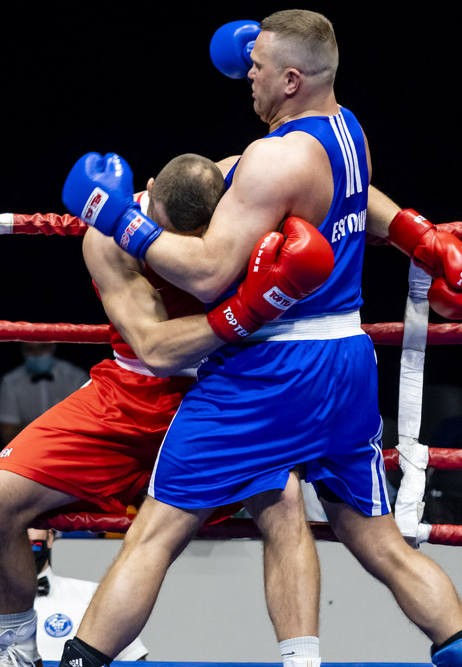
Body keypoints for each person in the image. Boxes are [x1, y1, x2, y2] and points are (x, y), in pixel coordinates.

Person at [60, 10, 462, 667]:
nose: (248, 72)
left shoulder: (274, 160)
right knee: (381, 543)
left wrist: (119, 218)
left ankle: (79, 660)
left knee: (155, 533)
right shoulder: (349, 129)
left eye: (259, 65)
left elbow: (207, 270)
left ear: (292, 79)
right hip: (346, 361)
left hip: (269, 370)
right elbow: (359, 197)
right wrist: (417, 233)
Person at [0, 153, 332, 666]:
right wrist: (250, 308)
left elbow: (336, 170)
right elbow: (156, 350)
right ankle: (16, 648)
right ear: (148, 189)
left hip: (222, 394)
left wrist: (414, 234)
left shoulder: (248, 188)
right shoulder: (109, 236)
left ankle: (302, 662)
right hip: (127, 392)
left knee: (285, 501)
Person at [0, 528, 147, 662]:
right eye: (10, 527)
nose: (20, 534)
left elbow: (137, 662)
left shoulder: (92, 597)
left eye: (29, 524)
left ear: (50, 537)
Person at [0, 343, 89, 445]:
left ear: (53, 346)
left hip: (70, 445)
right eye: (29, 349)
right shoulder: (10, 382)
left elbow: (86, 423)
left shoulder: (76, 377)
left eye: (43, 347)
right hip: (28, 447)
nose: (36, 353)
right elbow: (8, 431)